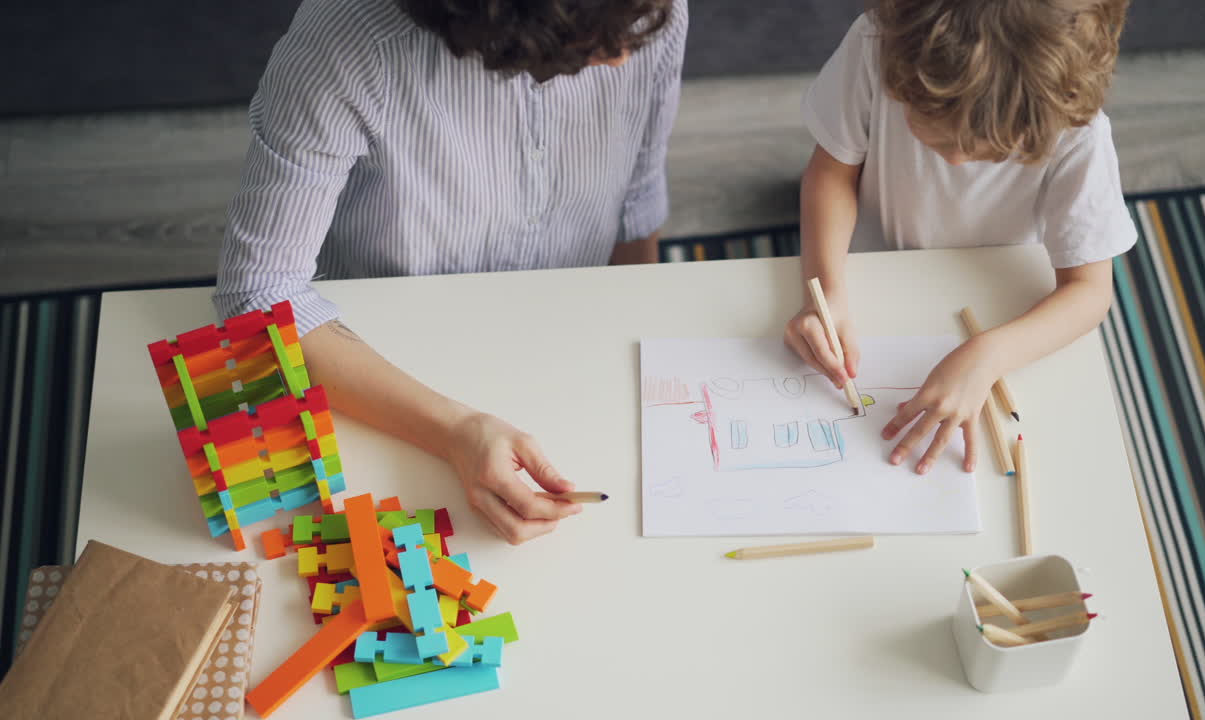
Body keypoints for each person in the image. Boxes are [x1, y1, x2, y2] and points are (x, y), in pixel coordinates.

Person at [215, 0, 687, 543]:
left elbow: (639, 196)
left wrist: (638, 355)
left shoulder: (646, 10)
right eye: (593, 42)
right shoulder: (346, 38)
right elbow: (257, 296)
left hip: (571, 350)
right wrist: (456, 430)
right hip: (382, 367)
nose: (623, 58)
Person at [785, 0, 1134, 474]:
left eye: (989, 151)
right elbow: (831, 174)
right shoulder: (878, 44)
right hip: (872, 268)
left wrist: (989, 355)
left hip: (1001, 305)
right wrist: (826, 289)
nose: (953, 163)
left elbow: (1090, 291)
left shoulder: (1076, 131)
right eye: (936, 139)